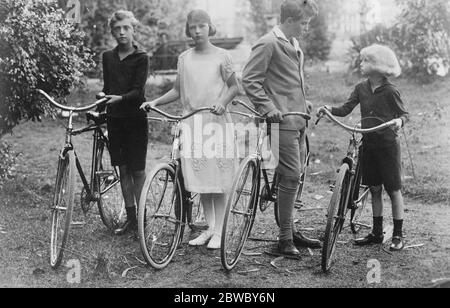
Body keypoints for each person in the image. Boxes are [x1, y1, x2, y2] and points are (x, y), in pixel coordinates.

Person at [141, 10, 240, 250]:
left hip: (216, 123)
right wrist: (155, 102)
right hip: (193, 123)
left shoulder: (221, 56)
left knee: (219, 178)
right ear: (188, 29)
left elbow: (234, 87)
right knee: (203, 180)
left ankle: (220, 231)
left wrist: (222, 102)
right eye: (193, 26)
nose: (197, 31)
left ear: (210, 27)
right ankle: (210, 227)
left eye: (202, 26)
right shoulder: (184, 58)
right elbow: (177, 90)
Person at [242, 0, 322, 257]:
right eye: (305, 21)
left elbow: (289, 82)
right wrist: (267, 107)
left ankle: (289, 228)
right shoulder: (268, 43)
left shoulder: (294, 45)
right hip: (281, 122)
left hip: (298, 119)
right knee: (291, 176)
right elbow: (250, 80)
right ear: (289, 20)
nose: (307, 27)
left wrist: (303, 101)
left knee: (294, 177)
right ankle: (284, 239)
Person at [318, 44, 409, 251]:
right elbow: (345, 108)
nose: (361, 64)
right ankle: (377, 233)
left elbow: (405, 114)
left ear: (378, 66)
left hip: (388, 147)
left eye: (365, 61)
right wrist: (329, 109)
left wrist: (399, 122)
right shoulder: (361, 88)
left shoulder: (390, 91)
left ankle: (397, 234)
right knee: (374, 189)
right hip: (369, 145)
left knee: (393, 190)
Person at [101, 10, 149, 235]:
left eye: (126, 28)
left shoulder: (142, 58)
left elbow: (138, 92)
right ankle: (131, 219)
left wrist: (119, 98)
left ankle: (142, 219)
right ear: (112, 31)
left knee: (137, 170)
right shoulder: (107, 57)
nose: (121, 32)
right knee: (122, 169)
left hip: (135, 119)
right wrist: (102, 99)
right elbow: (108, 86)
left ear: (133, 29)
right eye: (117, 29)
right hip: (115, 120)